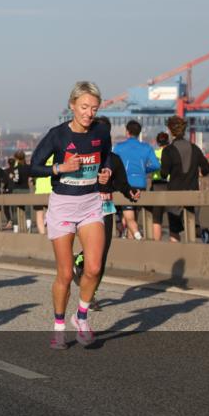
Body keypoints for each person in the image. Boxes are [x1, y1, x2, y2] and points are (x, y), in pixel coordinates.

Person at [30, 81, 112, 350]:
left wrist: (106, 172)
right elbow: (33, 167)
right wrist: (60, 167)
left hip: (90, 203)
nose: (89, 113)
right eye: (84, 107)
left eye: (94, 108)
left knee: (94, 268)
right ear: (72, 106)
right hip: (63, 204)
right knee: (65, 274)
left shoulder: (102, 129)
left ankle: (82, 317)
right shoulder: (57, 135)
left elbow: (107, 155)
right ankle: (58, 327)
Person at [73, 116, 137, 310]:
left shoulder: (114, 159)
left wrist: (130, 192)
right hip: (84, 207)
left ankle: (90, 294)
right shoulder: (82, 157)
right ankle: (80, 260)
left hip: (106, 209)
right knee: (93, 250)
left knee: (102, 252)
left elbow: (121, 184)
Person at [160, 116, 209, 242]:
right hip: (193, 193)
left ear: (170, 131)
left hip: (174, 195)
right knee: (192, 225)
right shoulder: (195, 148)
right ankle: (203, 234)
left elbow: (164, 174)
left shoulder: (168, 151)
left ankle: (177, 255)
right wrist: (198, 173)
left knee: (174, 229)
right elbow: (206, 169)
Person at [111, 120, 158, 241]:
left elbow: (112, 164)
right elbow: (156, 165)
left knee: (129, 216)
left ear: (127, 132)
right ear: (139, 132)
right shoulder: (146, 147)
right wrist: (143, 170)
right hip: (141, 183)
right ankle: (132, 244)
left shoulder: (119, 147)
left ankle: (138, 237)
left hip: (125, 184)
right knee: (133, 215)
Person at [149, 132, 170, 241]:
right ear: (168, 141)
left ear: (157, 142)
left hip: (157, 185)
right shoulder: (171, 153)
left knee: (157, 218)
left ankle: (157, 244)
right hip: (170, 186)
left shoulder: (154, 153)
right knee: (173, 217)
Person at [33, 154, 52, 235]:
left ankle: (42, 234)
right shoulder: (54, 156)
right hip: (51, 190)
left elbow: (33, 175)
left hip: (39, 190)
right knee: (51, 215)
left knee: (39, 214)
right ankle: (50, 233)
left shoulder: (37, 159)